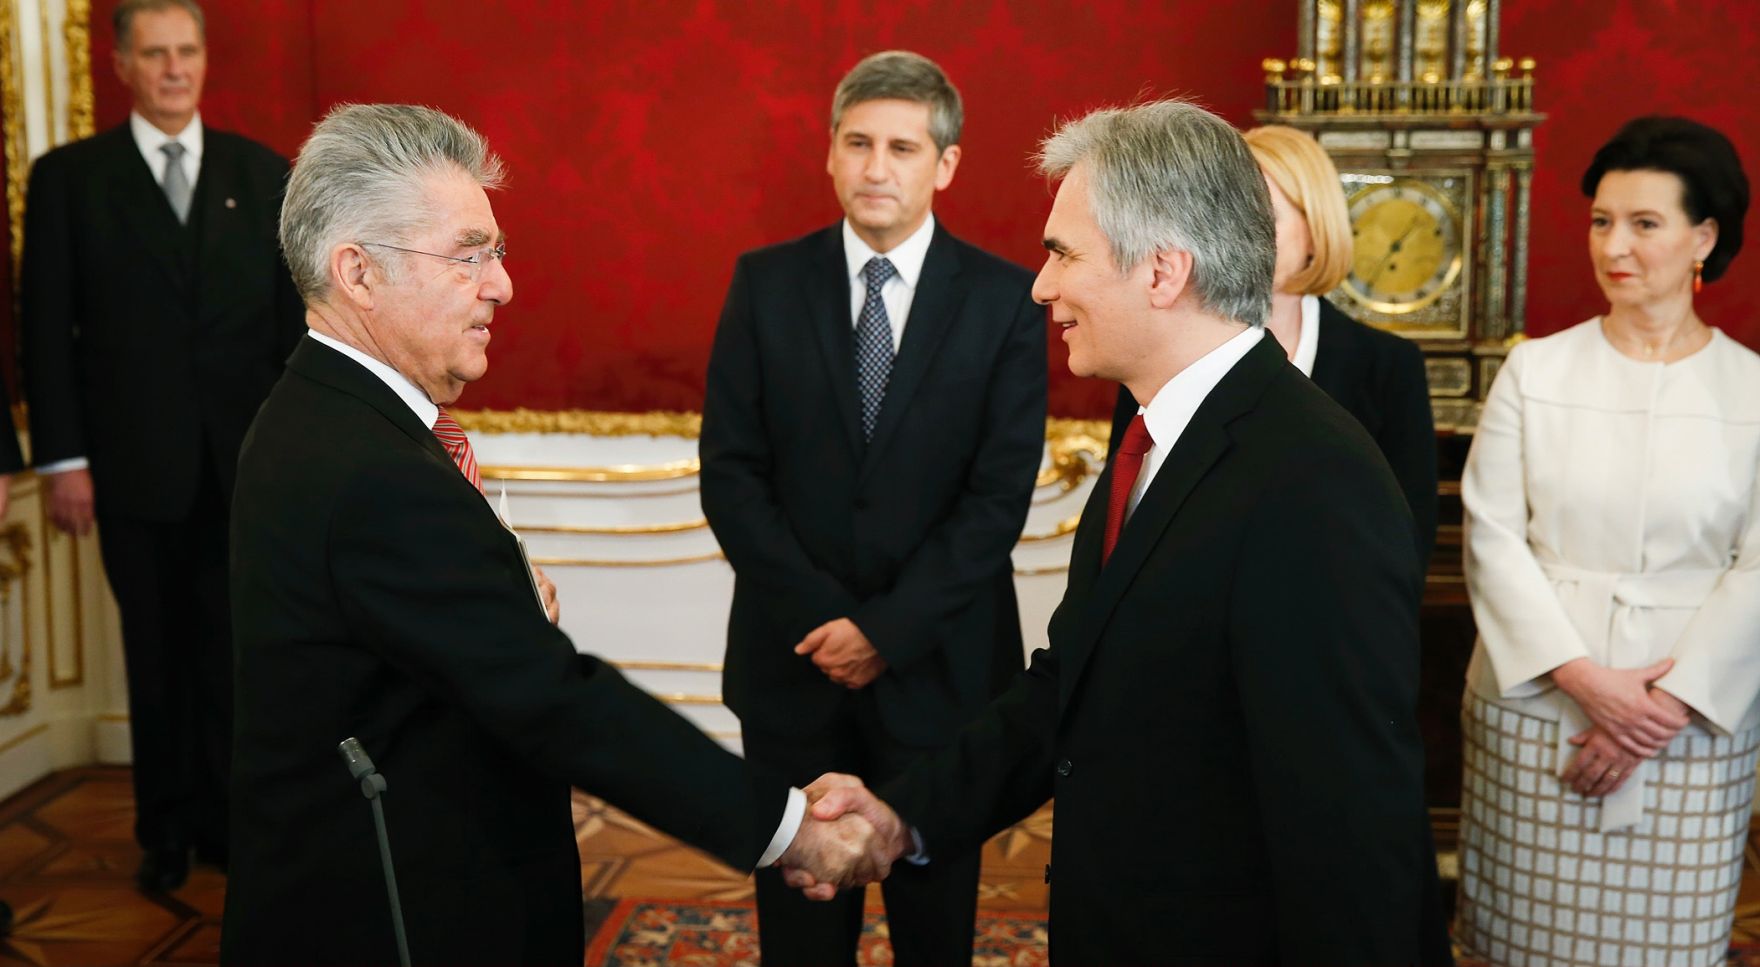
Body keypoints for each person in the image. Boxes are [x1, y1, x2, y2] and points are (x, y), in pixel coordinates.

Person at [222, 103, 888, 966]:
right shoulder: (368, 466)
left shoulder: (332, 418)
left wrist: (492, 609)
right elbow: (551, 697)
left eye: (495, 254)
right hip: (399, 915)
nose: (501, 284)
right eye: (469, 255)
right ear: (358, 271)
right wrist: (787, 827)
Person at [792, 99, 1445, 964]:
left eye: (1063, 254)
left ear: (1163, 272)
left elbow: (1353, 828)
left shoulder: (1314, 482)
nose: (1040, 285)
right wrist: (907, 814)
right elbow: (1075, 682)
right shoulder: (1152, 440)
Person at [699, 49, 1046, 966]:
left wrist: (885, 629)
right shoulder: (764, 284)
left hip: (942, 675)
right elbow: (731, 474)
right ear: (830, 153)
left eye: (902, 145)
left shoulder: (1009, 301)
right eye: (858, 143)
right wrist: (823, 619)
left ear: (949, 163)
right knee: (801, 937)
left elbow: (997, 496)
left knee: (936, 932)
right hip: (793, 667)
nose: (877, 166)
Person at [1455, 116, 1760, 967]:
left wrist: (1655, 711)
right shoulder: (1536, 370)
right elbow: (1491, 536)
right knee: (1524, 939)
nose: (1614, 244)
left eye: (1644, 223)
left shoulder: (1753, 390)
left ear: (1705, 237)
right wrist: (1586, 681)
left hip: (1692, 719)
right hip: (1541, 701)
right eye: (1600, 220)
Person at [17, 0, 304, 893]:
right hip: (130, 471)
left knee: (231, 653)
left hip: (240, 469)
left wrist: (290, 461)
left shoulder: (262, 176)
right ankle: (164, 831)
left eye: (187, 52)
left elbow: (289, 333)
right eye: (156, 53)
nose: (175, 68)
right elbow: (43, 332)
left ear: (204, 60)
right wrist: (64, 461)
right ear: (122, 64)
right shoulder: (70, 178)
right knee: (155, 652)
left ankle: (226, 824)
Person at [1105, 123, 1437, 569]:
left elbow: (1408, 538)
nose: (1241, 236)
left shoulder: (1387, 366)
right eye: (1224, 217)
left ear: (1316, 229)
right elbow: (1124, 525)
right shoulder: (1160, 351)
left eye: (1263, 215)